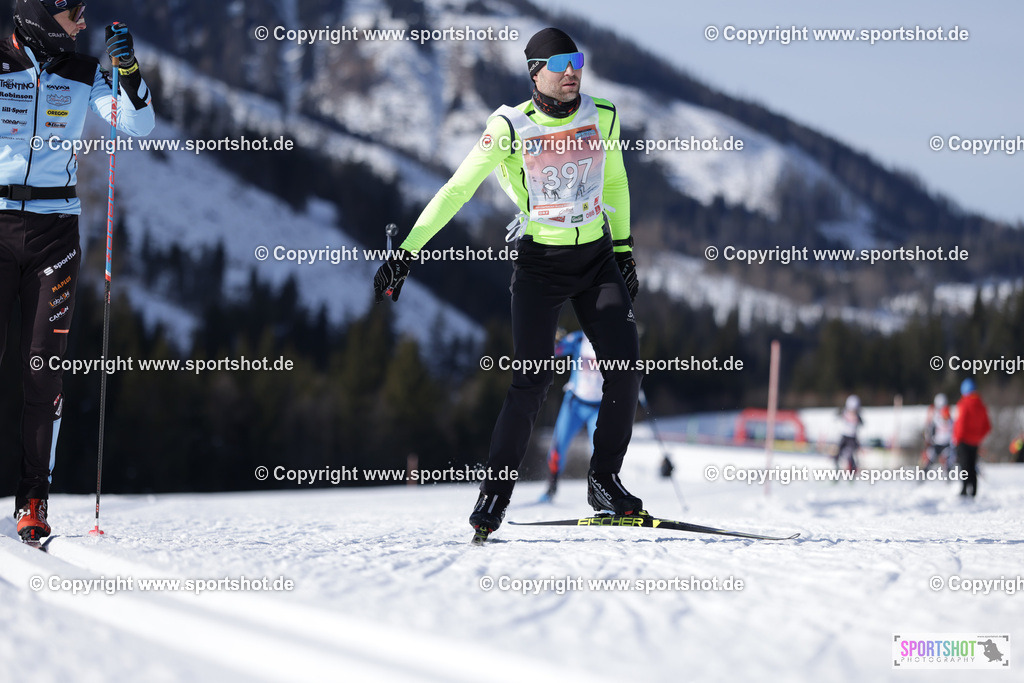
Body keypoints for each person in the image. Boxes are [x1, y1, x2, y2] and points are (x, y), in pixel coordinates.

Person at [373, 27, 642, 536]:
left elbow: (615, 182)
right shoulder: (509, 127)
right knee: (532, 381)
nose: (571, 71)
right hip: (539, 265)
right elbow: (457, 190)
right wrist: (406, 253)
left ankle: (604, 480)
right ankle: (495, 493)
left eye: (577, 60)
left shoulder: (603, 115)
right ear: (534, 71)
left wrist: (624, 250)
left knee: (625, 367)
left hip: (596, 260)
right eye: (560, 62)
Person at [1, 1, 154, 540]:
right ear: (41, 16)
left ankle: (33, 500)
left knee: (42, 370)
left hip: (54, 234)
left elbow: (139, 124)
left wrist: (129, 71)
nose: (83, 24)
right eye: (73, 15)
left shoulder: (83, 72)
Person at [540, 329, 602, 502]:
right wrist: (553, 340)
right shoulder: (579, 338)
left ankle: (599, 492)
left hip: (599, 407)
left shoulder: (613, 338)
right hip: (574, 403)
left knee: (600, 452)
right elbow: (555, 351)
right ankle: (551, 487)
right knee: (558, 446)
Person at [952, 378, 990, 498]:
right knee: (973, 465)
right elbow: (987, 426)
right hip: (975, 442)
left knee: (964, 466)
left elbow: (960, 424)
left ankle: (964, 489)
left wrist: (957, 438)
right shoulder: (981, 405)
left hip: (963, 441)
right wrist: (978, 437)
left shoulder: (963, 404)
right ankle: (973, 490)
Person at [921, 393, 953, 476]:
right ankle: (923, 474)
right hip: (937, 442)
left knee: (947, 460)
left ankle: (949, 477)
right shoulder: (934, 415)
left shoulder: (947, 416)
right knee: (930, 457)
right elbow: (929, 428)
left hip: (945, 443)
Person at [835, 395, 862, 474]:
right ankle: (836, 472)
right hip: (844, 437)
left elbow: (861, 424)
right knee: (837, 455)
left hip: (852, 438)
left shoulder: (857, 416)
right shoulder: (843, 413)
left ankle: (852, 473)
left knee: (850, 457)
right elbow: (836, 420)